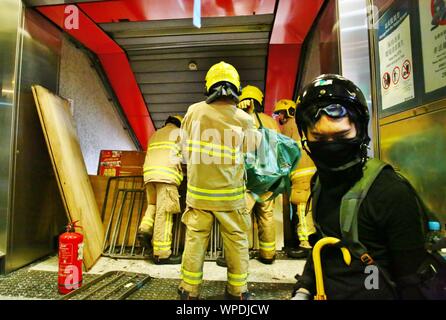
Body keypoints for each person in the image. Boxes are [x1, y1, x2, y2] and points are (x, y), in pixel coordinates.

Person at [291, 74, 430, 300]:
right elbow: (324, 246)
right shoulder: (320, 183)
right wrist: (305, 288)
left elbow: (410, 280)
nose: (331, 146)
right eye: (318, 137)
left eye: (342, 135)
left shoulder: (389, 191)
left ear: (360, 131)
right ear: (305, 137)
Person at [177, 61, 260, 300]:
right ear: (236, 86)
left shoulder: (194, 111)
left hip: (198, 194)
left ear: (209, 85)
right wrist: (250, 117)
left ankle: (189, 290)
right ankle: (237, 291)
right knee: (236, 241)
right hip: (230, 196)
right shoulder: (243, 118)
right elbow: (253, 149)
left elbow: (183, 145)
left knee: (195, 239)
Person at [238, 84, 280, 264]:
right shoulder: (270, 122)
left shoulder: (241, 120)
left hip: (249, 176)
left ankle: (241, 254)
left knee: (242, 214)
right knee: (266, 215)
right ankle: (268, 255)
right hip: (269, 176)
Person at [137, 115, 184, 265]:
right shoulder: (179, 133)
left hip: (150, 176)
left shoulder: (155, 134)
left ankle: (144, 229)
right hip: (166, 176)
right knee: (165, 213)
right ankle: (162, 254)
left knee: (153, 206)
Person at [273, 99, 316, 259]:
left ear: (290, 111)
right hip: (312, 173)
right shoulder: (306, 124)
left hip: (301, 174)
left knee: (302, 208)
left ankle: (305, 244)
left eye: (281, 113)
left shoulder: (290, 126)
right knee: (309, 209)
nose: (280, 117)